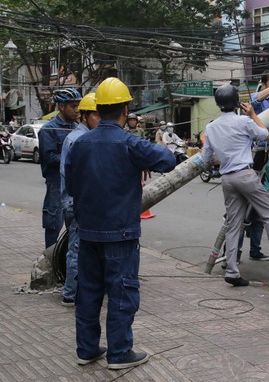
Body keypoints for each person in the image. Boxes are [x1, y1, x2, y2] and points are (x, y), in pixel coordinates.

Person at [65, 77, 175, 370]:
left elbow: (72, 185)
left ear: (98, 109)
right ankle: (119, 352)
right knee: (122, 292)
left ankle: (86, 349)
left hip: (87, 231)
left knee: (87, 292)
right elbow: (167, 160)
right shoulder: (129, 142)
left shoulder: (79, 143)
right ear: (126, 109)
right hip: (120, 233)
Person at [201, 84, 269, 287]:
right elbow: (264, 135)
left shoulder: (211, 127)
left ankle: (231, 270)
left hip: (227, 179)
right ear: (236, 102)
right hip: (245, 175)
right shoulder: (244, 121)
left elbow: (206, 158)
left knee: (233, 224)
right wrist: (254, 113)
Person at [59, 93, 100, 307]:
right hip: (77, 204)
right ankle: (71, 293)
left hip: (76, 203)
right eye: (96, 115)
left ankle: (77, 290)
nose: (100, 120)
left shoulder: (81, 137)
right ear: (84, 116)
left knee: (80, 249)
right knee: (76, 249)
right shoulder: (79, 140)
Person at [38, 88, 81, 248]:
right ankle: (48, 263)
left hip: (74, 183)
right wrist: (72, 159)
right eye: (72, 106)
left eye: (78, 105)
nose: (77, 110)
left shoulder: (78, 128)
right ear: (62, 106)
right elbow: (48, 157)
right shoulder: (48, 129)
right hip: (56, 183)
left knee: (75, 226)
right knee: (53, 224)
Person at [237, 147, 269, 262]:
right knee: (239, 222)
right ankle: (234, 254)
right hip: (245, 188)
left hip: (262, 189)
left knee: (258, 221)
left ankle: (255, 251)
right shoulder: (247, 144)